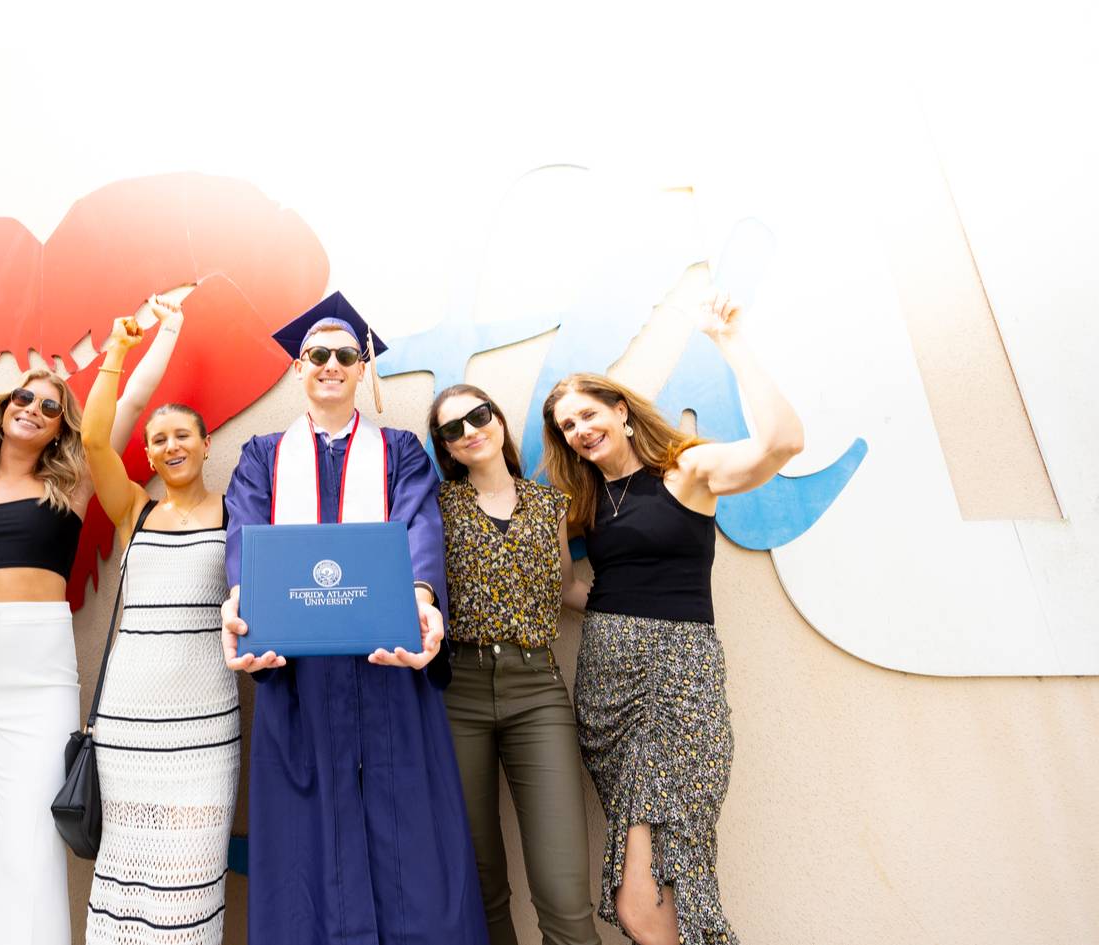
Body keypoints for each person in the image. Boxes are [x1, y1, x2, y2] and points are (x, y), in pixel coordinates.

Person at [0, 290, 188, 945]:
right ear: (4, 408)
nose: (33, 408)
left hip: (39, 668)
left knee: (33, 844)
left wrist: (151, 337)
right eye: (24, 397)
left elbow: (129, 404)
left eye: (51, 406)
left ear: (60, 428)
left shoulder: (71, 484)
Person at [219, 292, 487, 945]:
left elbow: (420, 530)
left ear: (362, 368)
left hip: (388, 668)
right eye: (318, 355)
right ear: (299, 367)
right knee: (304, 842)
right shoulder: (263, 456)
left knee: (410, 838)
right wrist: (244, 604)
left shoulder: (401, 452)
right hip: (298, 674)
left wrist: (421, 602)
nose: (331, 365)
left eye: (345, 355)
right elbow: (246, 538)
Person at [540, 290, 804, 945]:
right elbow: (572, 587)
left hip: (680, 683)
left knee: (653, 889)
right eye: (567, 426)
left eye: (587, 414)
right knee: (659, 889)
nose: (579, 430)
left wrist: (729, 342)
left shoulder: (686, 469)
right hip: (608, 689)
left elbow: (783, 442)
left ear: (620, 410)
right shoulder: (584, 500)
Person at [79, 296, 240, 943]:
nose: (171, 445)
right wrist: (117, 351)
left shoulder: (239, 513)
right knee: (128, 870)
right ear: (146, 454)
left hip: (206, 720)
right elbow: (94, 438)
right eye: (158, 438)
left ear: (206, 444)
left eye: (182, 435)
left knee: (191, 875)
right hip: (130, 717)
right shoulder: (133, 510)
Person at [429, 383, 601, 945]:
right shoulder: (436, 507)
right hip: (459, 691)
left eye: (478, 416)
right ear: (446, 447)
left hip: (538, 692)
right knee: (479, 881)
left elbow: (568, 589)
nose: (469, 431)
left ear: (498, 420)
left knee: (564, 888)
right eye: (452, 429)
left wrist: (645, 600)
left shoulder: (550, 505)